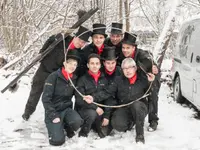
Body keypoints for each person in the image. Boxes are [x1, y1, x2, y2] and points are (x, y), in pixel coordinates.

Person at [22, 26, 91, 121]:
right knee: (35, 91)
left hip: (57, 76)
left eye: (83, 42)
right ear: (75, 36)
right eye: (79, 40)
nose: (80, 43)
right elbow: (49, 44)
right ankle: (28, 112)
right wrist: (45, 47)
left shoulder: (77, 53)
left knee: (53, 96)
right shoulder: (62, 39)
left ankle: (53, 117)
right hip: (45, 69)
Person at [84, 58, 155, 143]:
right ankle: (131, 123)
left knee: (136, 105)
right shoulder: (118, 80)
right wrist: (93, 97)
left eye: (130, 68)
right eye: (125, 68)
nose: (127, 71)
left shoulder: (143, 79)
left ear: (135, 68)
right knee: (117, 124)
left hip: (140, 107)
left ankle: (140, 135)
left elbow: (152, 94)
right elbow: (107, 92)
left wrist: (152, 83)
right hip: (125, 107)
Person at [118, 32, 161, 131]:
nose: (125, 50)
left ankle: (153, 120)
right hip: (132, 78)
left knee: (152, 94)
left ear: (134, 48)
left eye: (128, 48)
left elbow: (152, 69)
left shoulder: (143, 57)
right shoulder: (122, 55)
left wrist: (153, 76)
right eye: (123, 47)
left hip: (149, 77)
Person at [42, 50, 83, 146]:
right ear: (65, 63)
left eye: (75, 64)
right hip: (53, 111)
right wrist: (53, 115)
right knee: (57, 141)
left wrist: (85, 97)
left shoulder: (74, 79)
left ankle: (65, 125)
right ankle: (55, 127)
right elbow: (46, 99)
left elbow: (78, 94)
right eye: (70, 63)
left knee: (77, 121)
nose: (72, 66)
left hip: (66, 109)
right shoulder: (53, 77)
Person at [75, 54, 113, 138]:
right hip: (85, 109)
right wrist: (95, 107)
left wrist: (106, 116)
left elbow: (108, 97)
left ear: (100, 65)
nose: (94, 66)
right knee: (92, 114)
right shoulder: (82, 79)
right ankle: (83, 134)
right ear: (88, 65)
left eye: (97, 63)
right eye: (92, 63)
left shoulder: (105, 79)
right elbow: (79, 99)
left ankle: (95, 125)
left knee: (104, 133)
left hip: (100, 111)